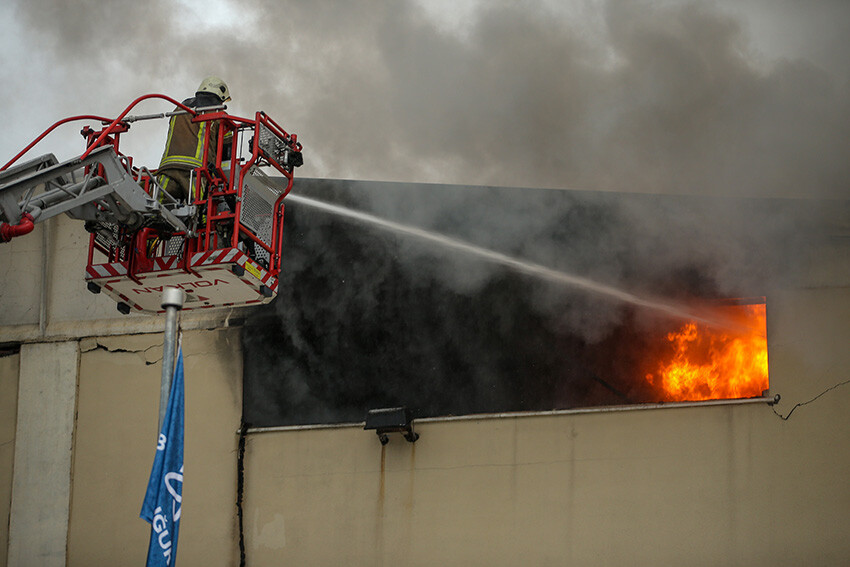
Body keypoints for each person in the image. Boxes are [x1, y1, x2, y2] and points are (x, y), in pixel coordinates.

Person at [157, 76, 232, 201]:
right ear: (221, 96)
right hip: (196, 172)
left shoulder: (178, 110)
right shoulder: (220, 115)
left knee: (158, 211)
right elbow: (227, 153)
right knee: (200, 213)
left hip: (168, 168)